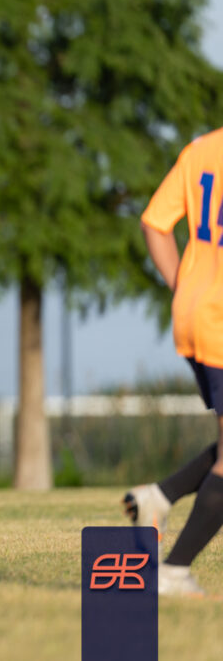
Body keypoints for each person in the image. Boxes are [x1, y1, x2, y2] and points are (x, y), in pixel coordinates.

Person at [124, 126, 223, 596]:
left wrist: (185, 289)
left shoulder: (204, 149)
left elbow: (154, 223)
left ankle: (159, 496)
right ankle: (173, 570)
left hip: (195, 312)